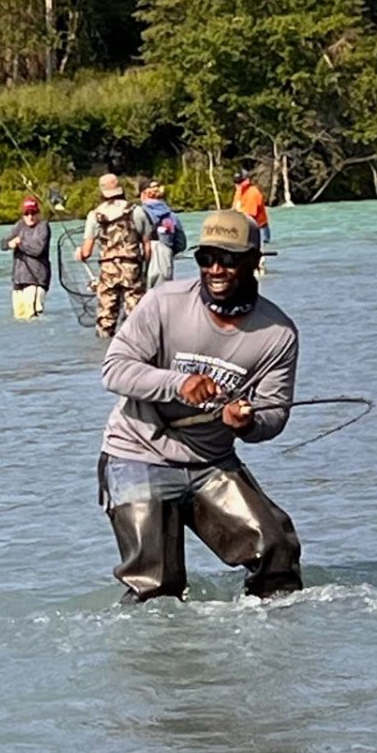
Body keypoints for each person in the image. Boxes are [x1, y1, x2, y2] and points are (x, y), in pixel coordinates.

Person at [99, 209, 303, 603]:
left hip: (211, 460)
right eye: (205, 257)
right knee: (157, 587)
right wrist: (179, 384)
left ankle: (274, 653)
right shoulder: (164, 302)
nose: (216, 269)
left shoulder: (279, 334)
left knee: (276, 551)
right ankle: (157, 658)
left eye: (228, 258)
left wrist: (245, 424)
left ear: (255, 260)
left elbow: (274, 412)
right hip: (136, 453)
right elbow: (114, 370)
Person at [77, 173, 149, 338]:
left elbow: (86, 252)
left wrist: (79, 254)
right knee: (137, 318)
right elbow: (147, 247)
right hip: (132, 271)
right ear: (120, 190)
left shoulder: (94, 215)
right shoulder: (136, 211)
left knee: (106, 319)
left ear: (102, 193)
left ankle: (106, 354)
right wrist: (144, 269)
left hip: (108, 273)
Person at [0, 195, 52, 318]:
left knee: (32, 317)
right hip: (18, 280)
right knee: (19, 319)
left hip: (36, 280)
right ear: (23, 214)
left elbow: (37, 249)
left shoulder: (43, 227)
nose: (30, 216)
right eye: (27, 213)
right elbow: (2, 243)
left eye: (33, 213)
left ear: (38, 213)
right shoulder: (19, 226)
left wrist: (20, 243)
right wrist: (9, 244)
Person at [138, 178, 186, 288]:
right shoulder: (172, 216)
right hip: (165, 257)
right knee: (164, 298)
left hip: (144, 258)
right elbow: (181, 244)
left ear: (143, 195)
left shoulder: (137, 214)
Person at [232, 166, 272, 242]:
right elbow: (234, 209)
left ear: (246, 181)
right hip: (244, 227)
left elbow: (249, 216)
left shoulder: (253, 193)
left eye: (239, 182)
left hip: (259, 230)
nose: (237, 185)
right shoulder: (239, 192)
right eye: (236, 182)